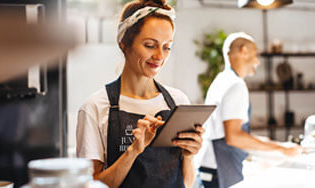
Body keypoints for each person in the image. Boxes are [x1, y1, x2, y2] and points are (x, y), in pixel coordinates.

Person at [76, 0, 204, 187]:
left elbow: (186, 183)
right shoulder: (95, 107)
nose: (160, 56)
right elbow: (89, 185)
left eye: (167, 47)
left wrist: (189, 157)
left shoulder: (178, 101)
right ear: (124, 44)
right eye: (150, 45)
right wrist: (133, 151)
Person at [198, 32, 303, 188]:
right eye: (256, 54)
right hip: (220, 172)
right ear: (244, 50)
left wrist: (268, 142)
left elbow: (227, 131)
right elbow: (234, 137)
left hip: (210, 169)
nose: (258, 62)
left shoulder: (221, 80)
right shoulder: (236, 85)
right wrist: (281, 149)